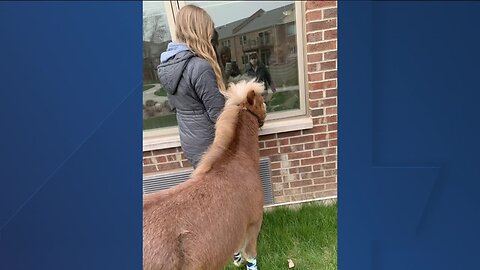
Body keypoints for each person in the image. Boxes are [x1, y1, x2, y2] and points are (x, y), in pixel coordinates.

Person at [157, 5, 226, 168]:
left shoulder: (168, 65)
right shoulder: (199, 67)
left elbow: (175, 105)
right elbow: (219, 115)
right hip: (210, 145)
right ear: (200, 31)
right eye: (209, 31)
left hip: (190, 142)